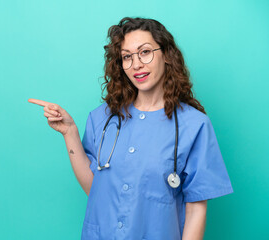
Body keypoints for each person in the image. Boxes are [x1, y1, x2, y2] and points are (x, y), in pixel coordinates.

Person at [28, 17, 233, 240]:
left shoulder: (193, 125)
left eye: (145, 52)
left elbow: (196, 209)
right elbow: (95, 190)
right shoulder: (102, 118)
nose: (136, 64)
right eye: (127, 57)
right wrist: (70, 133)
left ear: (166, 55)